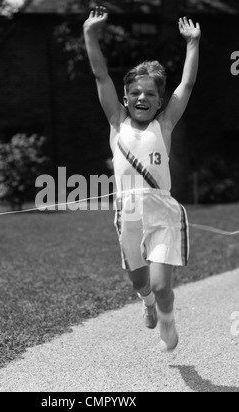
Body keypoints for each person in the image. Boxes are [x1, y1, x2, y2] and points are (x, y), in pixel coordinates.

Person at [83, 6, 201, 352]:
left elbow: (188, 83)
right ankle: (147, 304)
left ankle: (167, 320)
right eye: (135, 92)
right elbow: (101, 75)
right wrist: (90, 34)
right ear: (124, 98)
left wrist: (192, 43)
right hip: (129, 214)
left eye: (150, 94)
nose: (142, 98)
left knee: (162, 284)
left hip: (162, 210)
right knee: (140, 281)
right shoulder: (117, 124)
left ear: (159, 100)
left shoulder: (163, 126)